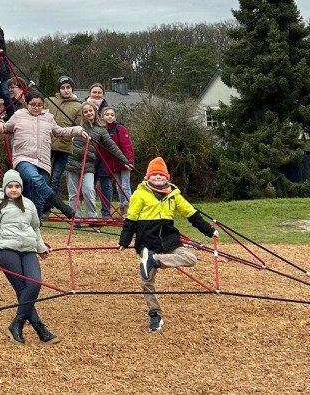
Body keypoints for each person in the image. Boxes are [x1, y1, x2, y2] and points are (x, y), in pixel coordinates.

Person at [117, 157, 216, 333]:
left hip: (169, 240)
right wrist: (124, 241)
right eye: (154, 174)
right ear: (147, 177)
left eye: (161, 175)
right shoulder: (140, 194)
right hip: (148, 240)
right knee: (146, 281)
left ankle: (155, 260)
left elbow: (191, 214)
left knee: (190, 258)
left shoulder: (174, 194)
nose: (157, 177)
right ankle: (155, 314)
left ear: (167, 177)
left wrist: (209, 231)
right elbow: (131, 219)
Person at [0, 169, 59, 345]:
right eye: (10, 186)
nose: (14, 190)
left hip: (28, 248)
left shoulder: (28, 204)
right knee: (22, 288)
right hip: (5, 248)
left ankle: (17, 324)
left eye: (17, 186)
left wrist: (41, 248)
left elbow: (35, 228)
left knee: (35, 283)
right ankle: (40, 329)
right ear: (4, 187)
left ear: (21, 188)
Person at [0, 90, 84, 220]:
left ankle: (34, 227)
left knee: (38, 198)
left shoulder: (48, 118)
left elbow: (60, 131)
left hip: (43, 160)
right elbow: (6, 126)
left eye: (39, 105)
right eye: (33, 104)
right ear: (27, 104)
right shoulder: (19, 115)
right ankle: (60, 205)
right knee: (35, 179)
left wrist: (78, 130)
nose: (36, 107)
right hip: (22, 158)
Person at [65, 103, 134, 218]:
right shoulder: (77, 126)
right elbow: (65, 134)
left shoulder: (101, 130)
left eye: (90, 111)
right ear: (82, 114)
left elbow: (112, 147)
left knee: (88, 190)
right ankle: (76, 218)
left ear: (95, 112)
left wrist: (125, 161)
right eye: (85, 112)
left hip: (88, 164)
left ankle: (92, 216)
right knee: (74, 192)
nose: (88, 113)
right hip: (72, 161)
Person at [47, 76, 84, 196]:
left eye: (68, 87)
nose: (66, 90)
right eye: (63, 88)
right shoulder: (49, 101)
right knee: (44, 177)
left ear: (72, 89)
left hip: (64, 146)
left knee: (56, 177)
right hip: (46, 144)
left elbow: (79, 126)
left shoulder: (78, 106)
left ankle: (53, 204)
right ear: (59, 89)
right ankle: (42, 205)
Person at [101, 106, 136, 210]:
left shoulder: (120, 128)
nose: (110, 117)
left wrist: (129, 161)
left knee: (125, 185)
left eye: (112, 115)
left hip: (124, 161)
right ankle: (122, 206)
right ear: (102, 117)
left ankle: (129, 206)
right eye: (107, 115)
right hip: (112, 163)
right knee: (118, 186)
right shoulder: (103, 130)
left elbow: (127, 145)